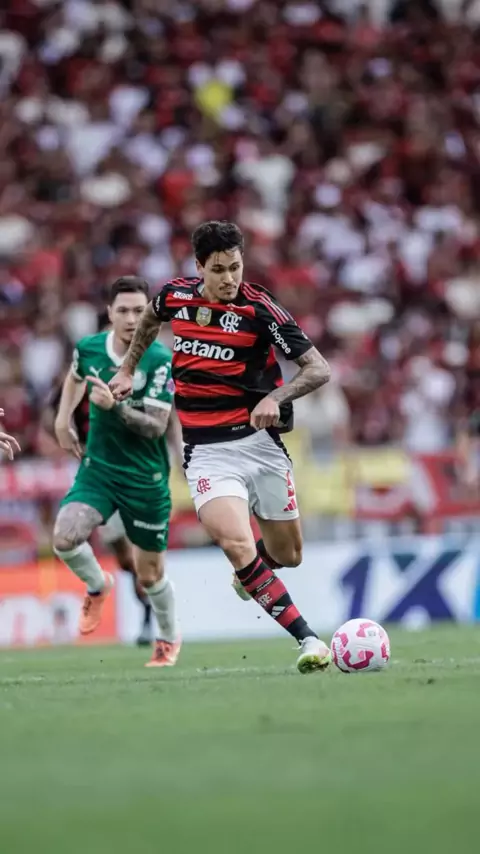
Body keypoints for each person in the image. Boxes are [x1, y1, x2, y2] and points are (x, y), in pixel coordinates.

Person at [110, 221, 332, 674]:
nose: (230, 278)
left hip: (260, 445)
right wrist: (129, 369)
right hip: (207, 451)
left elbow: (318, 369)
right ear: (199, 267)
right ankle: (308, 638)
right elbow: (150, 318)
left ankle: (250, 574)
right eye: (218, 270)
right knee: (236, 541)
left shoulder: (260, 308)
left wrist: (276, 397)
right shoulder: (176, 296)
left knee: (288, 555)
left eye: (235, 267)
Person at [52, 276, 179, 667]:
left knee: (150, 574)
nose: (131, 319)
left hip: (146, 478)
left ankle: (168, 637)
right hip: (99, 470)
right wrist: (62, 420)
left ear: (150, 315)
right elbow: (76, 376)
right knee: (64, 538)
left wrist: (115, 408)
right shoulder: (89, 348)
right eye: (123, 310)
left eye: (139, 311)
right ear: (109, 312)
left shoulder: (159, 359)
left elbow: (156, 427)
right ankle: (97, 584)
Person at [43, 372, 153, 647]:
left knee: (139, 555)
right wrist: (67, 434)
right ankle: (134, 602)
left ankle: (150, 619)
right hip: (99, 478)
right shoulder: (74, 382)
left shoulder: (131, 377)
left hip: (137, 475)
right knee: (125, 560)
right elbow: (51, 415)